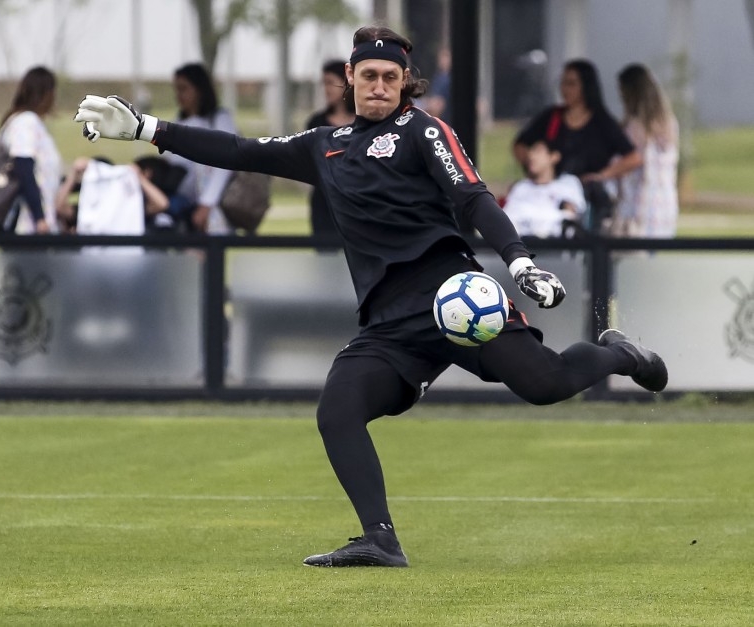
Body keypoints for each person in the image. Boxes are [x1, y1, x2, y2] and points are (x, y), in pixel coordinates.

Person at [75, 25, 668, 568]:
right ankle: (379, 538)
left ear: (404, 84)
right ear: (350, 81)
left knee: (547, 385)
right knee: (338, 410)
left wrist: (518, 261)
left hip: (455, 295)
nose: (379, 86)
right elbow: (241, 151)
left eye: (390, 77)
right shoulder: (324, 144)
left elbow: (473, 197)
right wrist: (148, 129)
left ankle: (619, 353)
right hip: (388, 320)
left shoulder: (423, 130)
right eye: (368, 76)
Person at [513, 59, 642, 232]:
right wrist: (535, 168)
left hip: (585, 194)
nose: (565, 89)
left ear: (585, 87)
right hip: (550, 190)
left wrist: (602, 175)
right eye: (563, 83)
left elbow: (633, 157)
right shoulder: (552, 117)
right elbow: (521, 145)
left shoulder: (601, 121)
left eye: (571, 84)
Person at [167, 63, 238, 234]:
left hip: (213, 206)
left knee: (209, 255)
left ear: (199, 89)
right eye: (177, 89)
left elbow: (225, 165)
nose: (179, 95)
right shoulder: (178, 121)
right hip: (184, 205)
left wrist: (207, 203)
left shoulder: (219, 119)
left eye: (184, 89)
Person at [613, 63, 680, 238]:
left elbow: (634, 160)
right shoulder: (668, 124)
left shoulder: (635, 127)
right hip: (665, 205)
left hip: (638, 207)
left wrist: (604, 173)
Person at [0, 66, 63, 234]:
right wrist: (39, 218)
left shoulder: (25, 122)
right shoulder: (25, 123)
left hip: (36, 223)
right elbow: (23, 167)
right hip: (26, 225)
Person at [305, 59, 356, 237]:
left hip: (357, 204)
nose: (326, 88)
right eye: (323, 83)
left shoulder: (363, 122)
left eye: (330, 82)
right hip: (324, 203)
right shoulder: (317, 123)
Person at [55, 157, 170, 235]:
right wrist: (73, 175)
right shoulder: (88, 207)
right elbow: (59, 208)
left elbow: (162, 204)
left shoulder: (129, 206)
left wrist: (139, 178)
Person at [502, 139, 586, 238]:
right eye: (530, 151)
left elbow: (569, 217)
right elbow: (506, 220)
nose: (531, 156)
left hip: (556, 247)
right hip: (523, 247)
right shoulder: (520, 187)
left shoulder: (568, 183)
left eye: (538, 151)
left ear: (554, 156)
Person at [423, 47, 451, 121]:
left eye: (445, 57)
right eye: (441, 58)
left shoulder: (450, 79)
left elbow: (439, 103)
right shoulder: (438, 77)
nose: (442, 61)